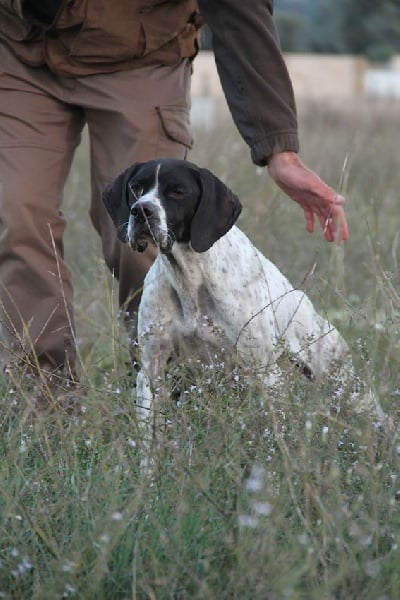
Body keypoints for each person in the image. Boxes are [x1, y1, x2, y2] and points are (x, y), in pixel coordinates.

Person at [0, 0, 348, 405]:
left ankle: (167, 401)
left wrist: (278, 147)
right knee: (15, 220)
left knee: (146, 243)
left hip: (141, 53)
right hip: (21, 49)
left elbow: (240, 9)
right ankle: (45, 410)